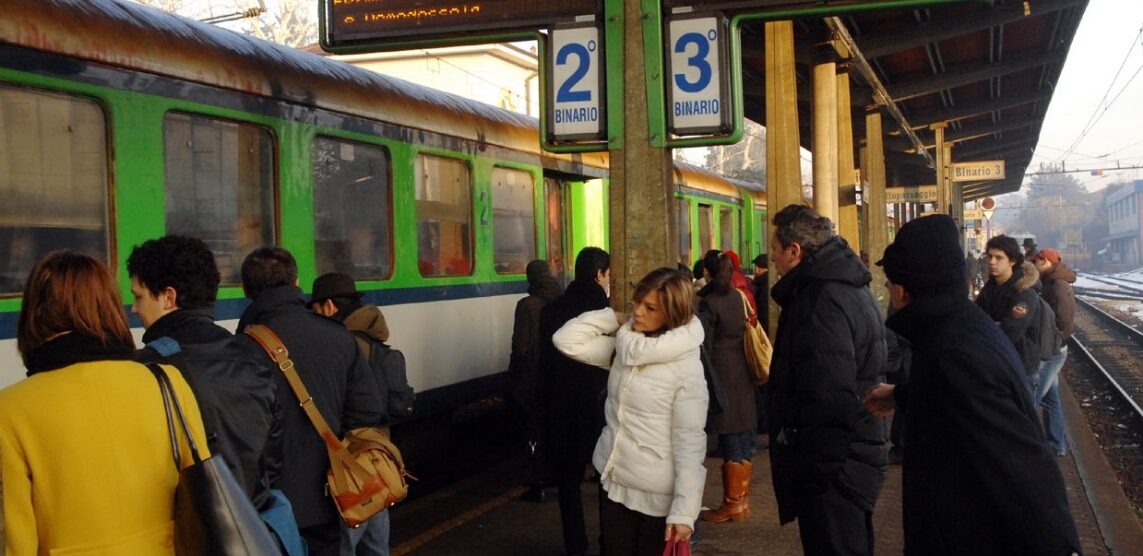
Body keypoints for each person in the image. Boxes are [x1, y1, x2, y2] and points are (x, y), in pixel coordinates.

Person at [864, 214, 1081, 555]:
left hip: (967, 536)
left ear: (903, 289)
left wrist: (1060, 547)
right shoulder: (953, 328)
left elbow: (1021, 465)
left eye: (889, 280)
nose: (888, 290)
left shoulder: (953, 351)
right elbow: (946, 393)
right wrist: (902, 394)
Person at [0, 251, 210, 554]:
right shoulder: (166, 382)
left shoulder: (11, 409)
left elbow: (17, 540)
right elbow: (202, 492)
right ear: (109, 307)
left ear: (34, 313)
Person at [238, 246, 386, 555]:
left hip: (269, 506)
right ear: (296, 284)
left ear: (246, 290)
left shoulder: (240, 349)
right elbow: (368, 411)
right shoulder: (339, 337)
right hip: (329, 498)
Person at [553, 268, 707, 555]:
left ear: (672, 314)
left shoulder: (686, 368)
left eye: (650, 308)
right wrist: (614, 317)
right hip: (614, 481)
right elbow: (566, 340)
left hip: (657, 496)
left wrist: (684, 512)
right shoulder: (624, 349)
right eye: (637, 303)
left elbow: (690, 442)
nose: (638, 312)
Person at [127, 236, 283, 510]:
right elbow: (272, 458)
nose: (134, 308)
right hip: (250, 527)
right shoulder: (254, 355)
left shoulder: (146, 369)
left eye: (139, 296)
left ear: (168, 297)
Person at [766, 204, 887, 556]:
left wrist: (819, 472)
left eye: (775, 248)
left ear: (795, 251)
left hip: (835, 469)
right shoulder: (847, 286)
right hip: (853, 454)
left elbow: (826, 392)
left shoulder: (819, 300)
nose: (771, 256)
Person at [308, 271, 397, 556]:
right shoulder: (375, 338)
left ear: (329, 306)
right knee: (376, 542)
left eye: (316, 308)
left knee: (346, 541)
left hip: (350, 461)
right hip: (378, 455)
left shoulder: (338, 345)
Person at [539, 246, 611, 556]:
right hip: (600, 410)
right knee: (609, 484)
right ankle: (609, 542)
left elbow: (544, 369)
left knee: (569, 486)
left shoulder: (551, 311)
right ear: (599, 275)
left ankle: (576, 546)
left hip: (562, 410)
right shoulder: (609, 314)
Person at [696, 251, 757, 524]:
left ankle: (732, 503)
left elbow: (704, 343)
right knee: (743, 434)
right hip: (742, 368)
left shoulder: (709, 303)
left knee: (730, 433)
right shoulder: (738, 296)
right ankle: (741, 501)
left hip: (721, 370)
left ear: (707, 273)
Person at [508, 260, 564, 502]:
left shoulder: (527, 306)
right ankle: (558, 476)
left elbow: (520, 347)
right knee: (554, 427)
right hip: (557, 375)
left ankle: (537, 482)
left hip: (532, 377)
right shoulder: (562, 300)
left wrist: (513, 377)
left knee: (533, 431)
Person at [976, 235, 1042, 392]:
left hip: (1020, 367)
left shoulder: (1024, 292)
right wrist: (994, 325)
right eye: (990, 256)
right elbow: (974, 319)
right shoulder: (989, 289)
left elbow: (1011, 331)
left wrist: (987, 327)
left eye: (999, 258)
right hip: (998, 364)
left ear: (1012, 261)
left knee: (1022, 416)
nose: (992, 262)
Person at [1029, 247, 1076, 456]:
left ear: (1045, 261)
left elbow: (1064, 318)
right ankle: (1057, 443)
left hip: (1053, 349)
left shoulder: (1056, 284)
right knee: (1050, 398)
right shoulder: (1052, 280)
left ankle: (1027, 446)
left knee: (1033, 397)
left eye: (1037, 261)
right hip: (1053, 346)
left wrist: (1054, 339)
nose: (1035, 264)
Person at [750, 254, 770, 334]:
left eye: (759, 267)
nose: (756, 270)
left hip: (762, 328)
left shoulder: (762, 285)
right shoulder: (762, 283)